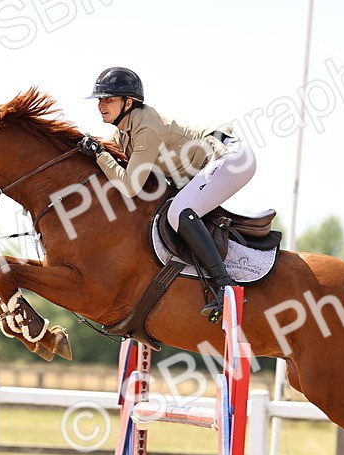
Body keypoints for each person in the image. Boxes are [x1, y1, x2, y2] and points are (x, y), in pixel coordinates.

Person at [77, 67, 256, 320]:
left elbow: (129, 185)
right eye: (100, 99)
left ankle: (225, 286)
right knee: (171, 211)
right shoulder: (124, 130)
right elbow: (109, 162)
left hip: (231, 158)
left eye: (109, 99)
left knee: (179, 212)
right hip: (205, 166)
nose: (101, 105)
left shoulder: (146, 128)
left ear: (129, 102)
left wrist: (99, 153)